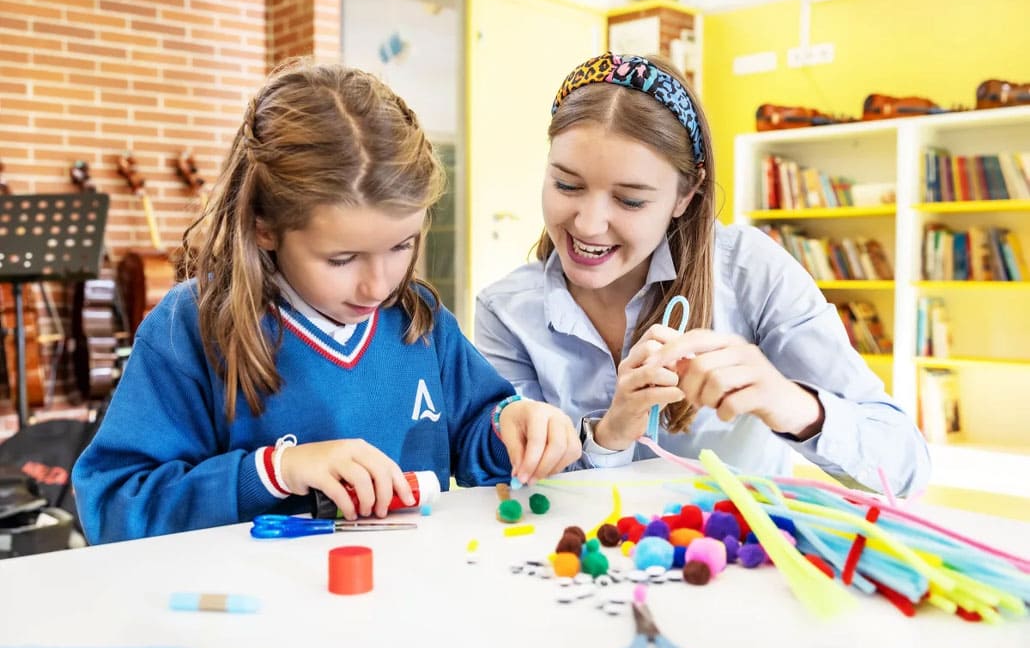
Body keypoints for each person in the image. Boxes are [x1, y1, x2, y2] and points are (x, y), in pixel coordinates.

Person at [72, 61, 580, 544]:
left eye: (402, 246)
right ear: (264, 228)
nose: (378, 287)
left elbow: (476, 437)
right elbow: (114, 505)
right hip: (256, 600)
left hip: (411, 590)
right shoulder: (189, 326)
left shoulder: (419, 318)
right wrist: (274, 472)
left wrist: (515, 428)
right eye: (342, 259)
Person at [475, 52, 929, 496]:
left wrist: (790, 402)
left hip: (732, 545)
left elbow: (906, 465)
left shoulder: (750, 271)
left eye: (630, 200)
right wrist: (608, 436)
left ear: (686, 194)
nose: (590, 225)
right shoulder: (505, 311)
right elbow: (512, 489)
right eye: (566, 185)